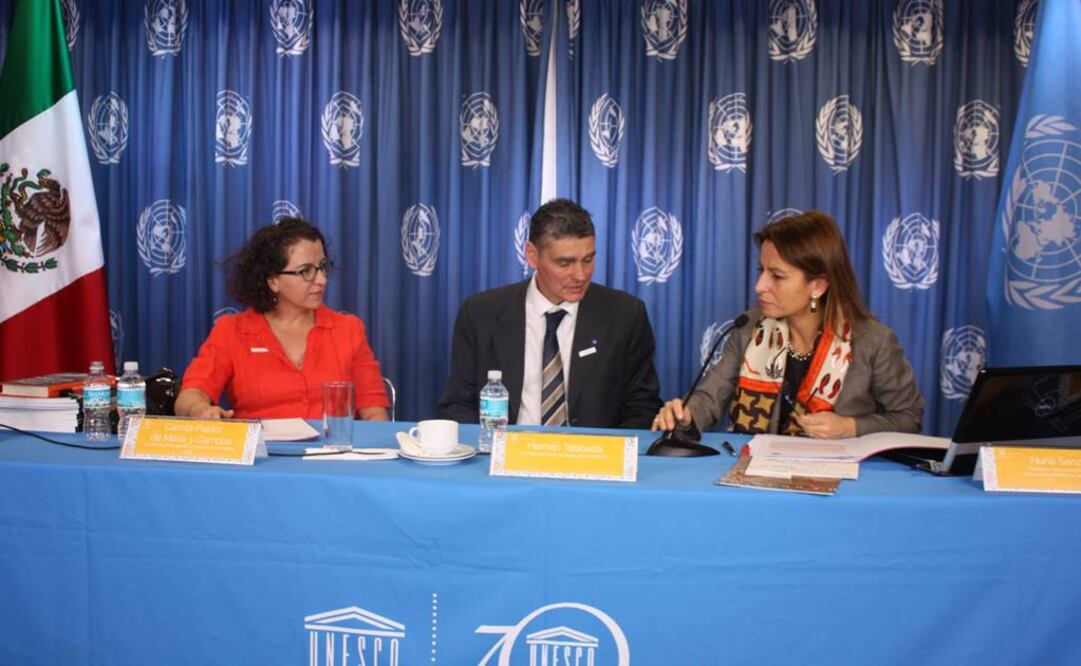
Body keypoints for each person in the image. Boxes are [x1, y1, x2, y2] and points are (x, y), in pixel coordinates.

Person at [653, 211, 922, 438]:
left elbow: (909, 418)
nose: (760, 287)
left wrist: (851, 427)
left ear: (818, 286)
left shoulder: (873, 341)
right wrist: (685, 415)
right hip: (753, 479)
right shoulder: (749, 329)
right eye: (761, 271)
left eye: (777, 276)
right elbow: (709, 399)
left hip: (837, 486)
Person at [439, 198, 663, 429]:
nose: (580, 275)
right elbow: (458, 406)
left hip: (593, 458)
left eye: (588, 260)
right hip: (506, 455)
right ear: (532, 255)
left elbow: (641, 407)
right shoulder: (480, 314)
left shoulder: (625, 315)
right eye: (565, 263)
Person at [176, 217, 390, 420]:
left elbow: (374, 413)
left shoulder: (349, 329)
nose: (322, 280)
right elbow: (190, 396)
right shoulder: (232, 331)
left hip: (333, 454)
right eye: (306, 271)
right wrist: (201, 410)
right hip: (262, 456)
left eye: (323, 267)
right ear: (273, 281)